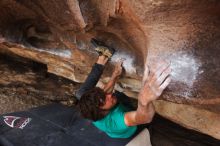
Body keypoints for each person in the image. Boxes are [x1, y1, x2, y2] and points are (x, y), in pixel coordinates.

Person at [76, 39, 171, 138]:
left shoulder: (91, 106)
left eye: (103, 95)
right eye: (104, 99)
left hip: (109, 109)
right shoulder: (115, 122)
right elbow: (144, 118)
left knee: (81, 94)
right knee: (132, 107)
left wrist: (115, 75)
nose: (109, 95)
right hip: (129, 131)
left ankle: (103, 56)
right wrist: (143, 101)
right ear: (101, 111)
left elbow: (104, 94)